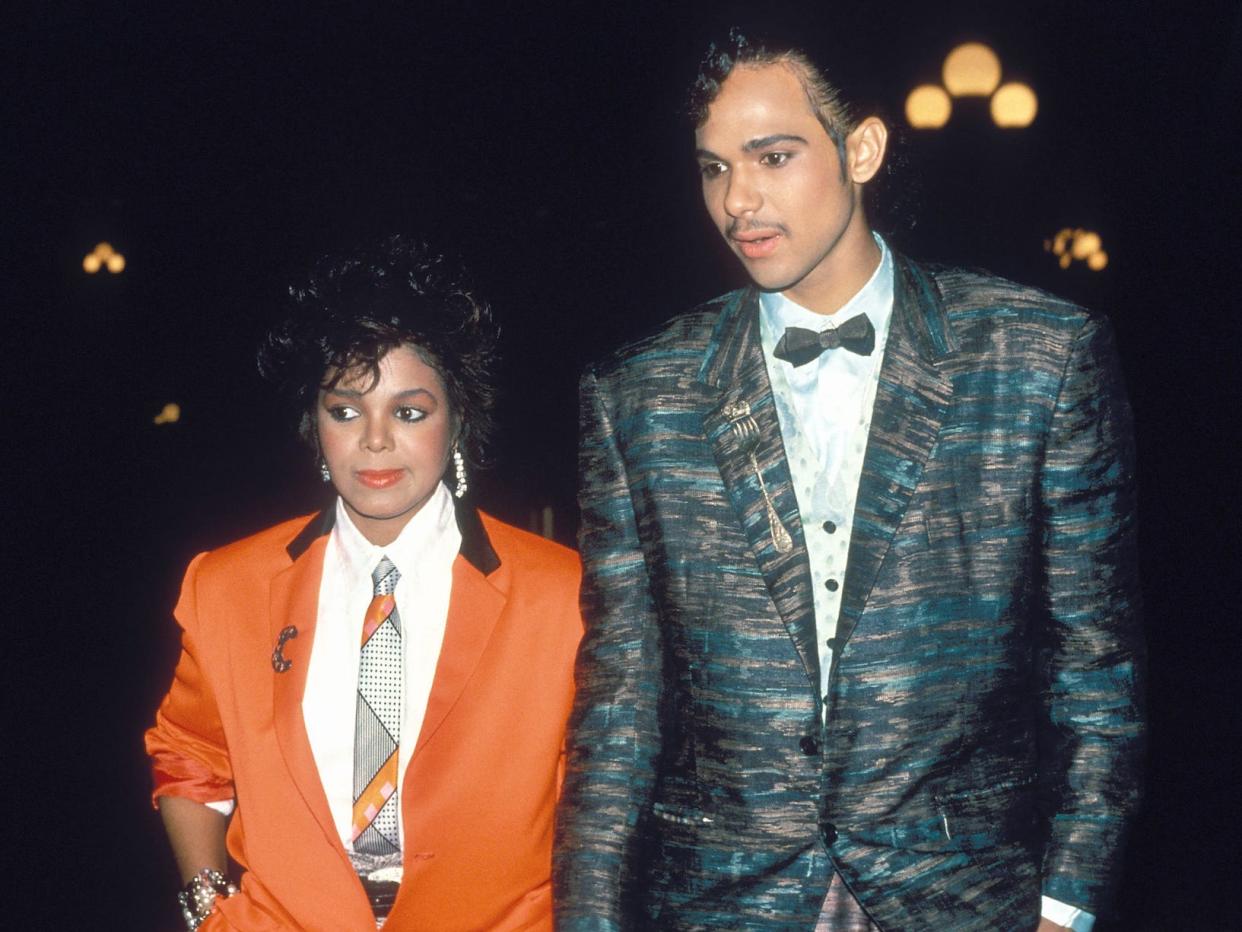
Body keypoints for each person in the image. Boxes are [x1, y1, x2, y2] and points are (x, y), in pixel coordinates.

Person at [554, 30, 1144, 931]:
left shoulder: (1039, 354)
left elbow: (1096, 675)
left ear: (860, 149)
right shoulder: (638, 391)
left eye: (773, 157)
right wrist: (588, 916)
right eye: (714, 168)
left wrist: (1066, 906)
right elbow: (619, 706)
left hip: (966, 899)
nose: (736, 200)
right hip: (721, 904)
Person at [146, 236, 582, 931]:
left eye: (410, 412)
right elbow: (190, 758)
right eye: (345, 411)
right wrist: (209, 908)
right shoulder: (226, 586)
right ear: (313, 425)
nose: (374, 440)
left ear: (458, 421)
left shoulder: (563, 594)